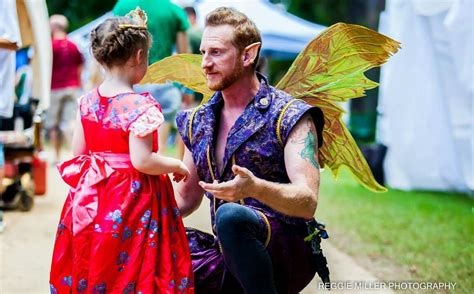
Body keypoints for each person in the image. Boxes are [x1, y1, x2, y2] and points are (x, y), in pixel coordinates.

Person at [175, 7, 327, 294]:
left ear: (248, 55)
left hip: (286, 251)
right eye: (203, 53)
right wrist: (131, 217)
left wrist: (254, 188)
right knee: (158, 246)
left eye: (217, 53)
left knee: (232, 215)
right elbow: (186, 197)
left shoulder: (290, 115)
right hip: (229, 250)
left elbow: (307, 202)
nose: (205, 63)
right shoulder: (197, 121)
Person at [49, 9, 193, 293]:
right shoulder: (142, 106)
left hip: (94, 193)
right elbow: (143, 160)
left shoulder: (87, 101)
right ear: (139, 57)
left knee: (98, 254)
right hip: (132, 198)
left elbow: (79, 154)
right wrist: (176, 165)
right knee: (132, 258)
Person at [114, 0, 190, 154]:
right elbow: (184, 54)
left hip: (132, 81)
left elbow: (115, 44)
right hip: (165, 82)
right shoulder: (174, 10)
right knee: (159, 146)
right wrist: (186, 87)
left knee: (131, 141)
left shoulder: (122, 6)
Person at [48, 14, 84, 163]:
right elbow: (81, 64)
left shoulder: (50, 46)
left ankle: (56, 157)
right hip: (72, 86)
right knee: (70, 123)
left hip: (54, 88)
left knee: (53, 124)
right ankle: (74, 155)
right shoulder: (73, 45)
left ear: (54, 27)